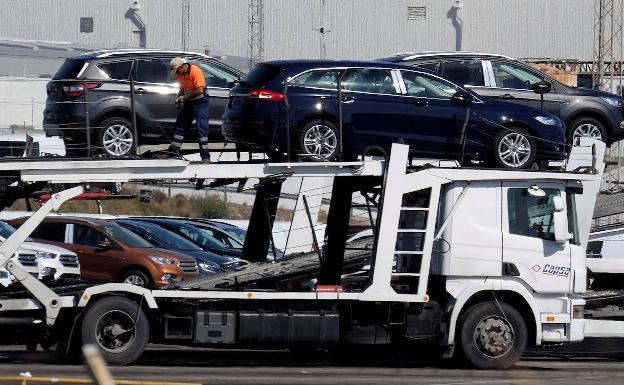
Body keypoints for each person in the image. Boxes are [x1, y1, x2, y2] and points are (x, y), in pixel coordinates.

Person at [167, 57, 210, 161]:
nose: (177, 74)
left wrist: (184, 97)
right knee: (180, 125)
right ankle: (174, 152)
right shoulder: (180, 74)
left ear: (182, 67)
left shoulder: (195, 71)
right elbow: (182, 87)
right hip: (190, 101)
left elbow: (199, 90)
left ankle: (205, 157)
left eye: (177, 71)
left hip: (201, 101)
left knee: (201, 129)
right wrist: (179, 97)